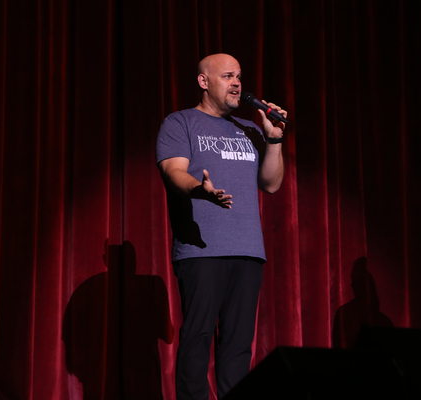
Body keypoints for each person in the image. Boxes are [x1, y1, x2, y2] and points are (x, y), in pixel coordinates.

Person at [156, 53, 286, 400]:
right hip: (202, 249)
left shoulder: (250, 129)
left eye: (239, 77)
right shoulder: (180, 123)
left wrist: (273, 139)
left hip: (248, 250)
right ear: (204, 81)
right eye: (228, 76)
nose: (237, 84)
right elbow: (173, 172)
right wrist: (200, 189)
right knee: (197, 339)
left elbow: (272, 184)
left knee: (238, 346)